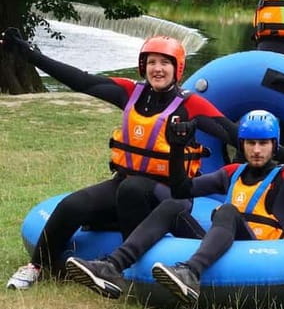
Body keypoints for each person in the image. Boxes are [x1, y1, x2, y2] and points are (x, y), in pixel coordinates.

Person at [1, 32, 238, 290]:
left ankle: (121, 268)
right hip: (126, 183)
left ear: (177, 68)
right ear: (143, 66)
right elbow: (82, 81)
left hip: (170, 196)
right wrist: (31, 55)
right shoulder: (129, 93)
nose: (157, 69)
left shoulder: (191, 104)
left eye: (165, 63)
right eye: (152, 62)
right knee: (73, 205)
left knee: (133, 188)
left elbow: (234, 134)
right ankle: (36, 266)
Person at [64, 110, 284, 303]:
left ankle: (191, 273)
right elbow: (182, 189)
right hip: (224, 242)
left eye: (263, 144)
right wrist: (176, 148)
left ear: (274, 146)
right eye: (251, 143)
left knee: (227, 212)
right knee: (174, 206)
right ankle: (113, 266)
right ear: (241, 145)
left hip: (256, 247)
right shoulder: (232, 172)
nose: (257, 150)